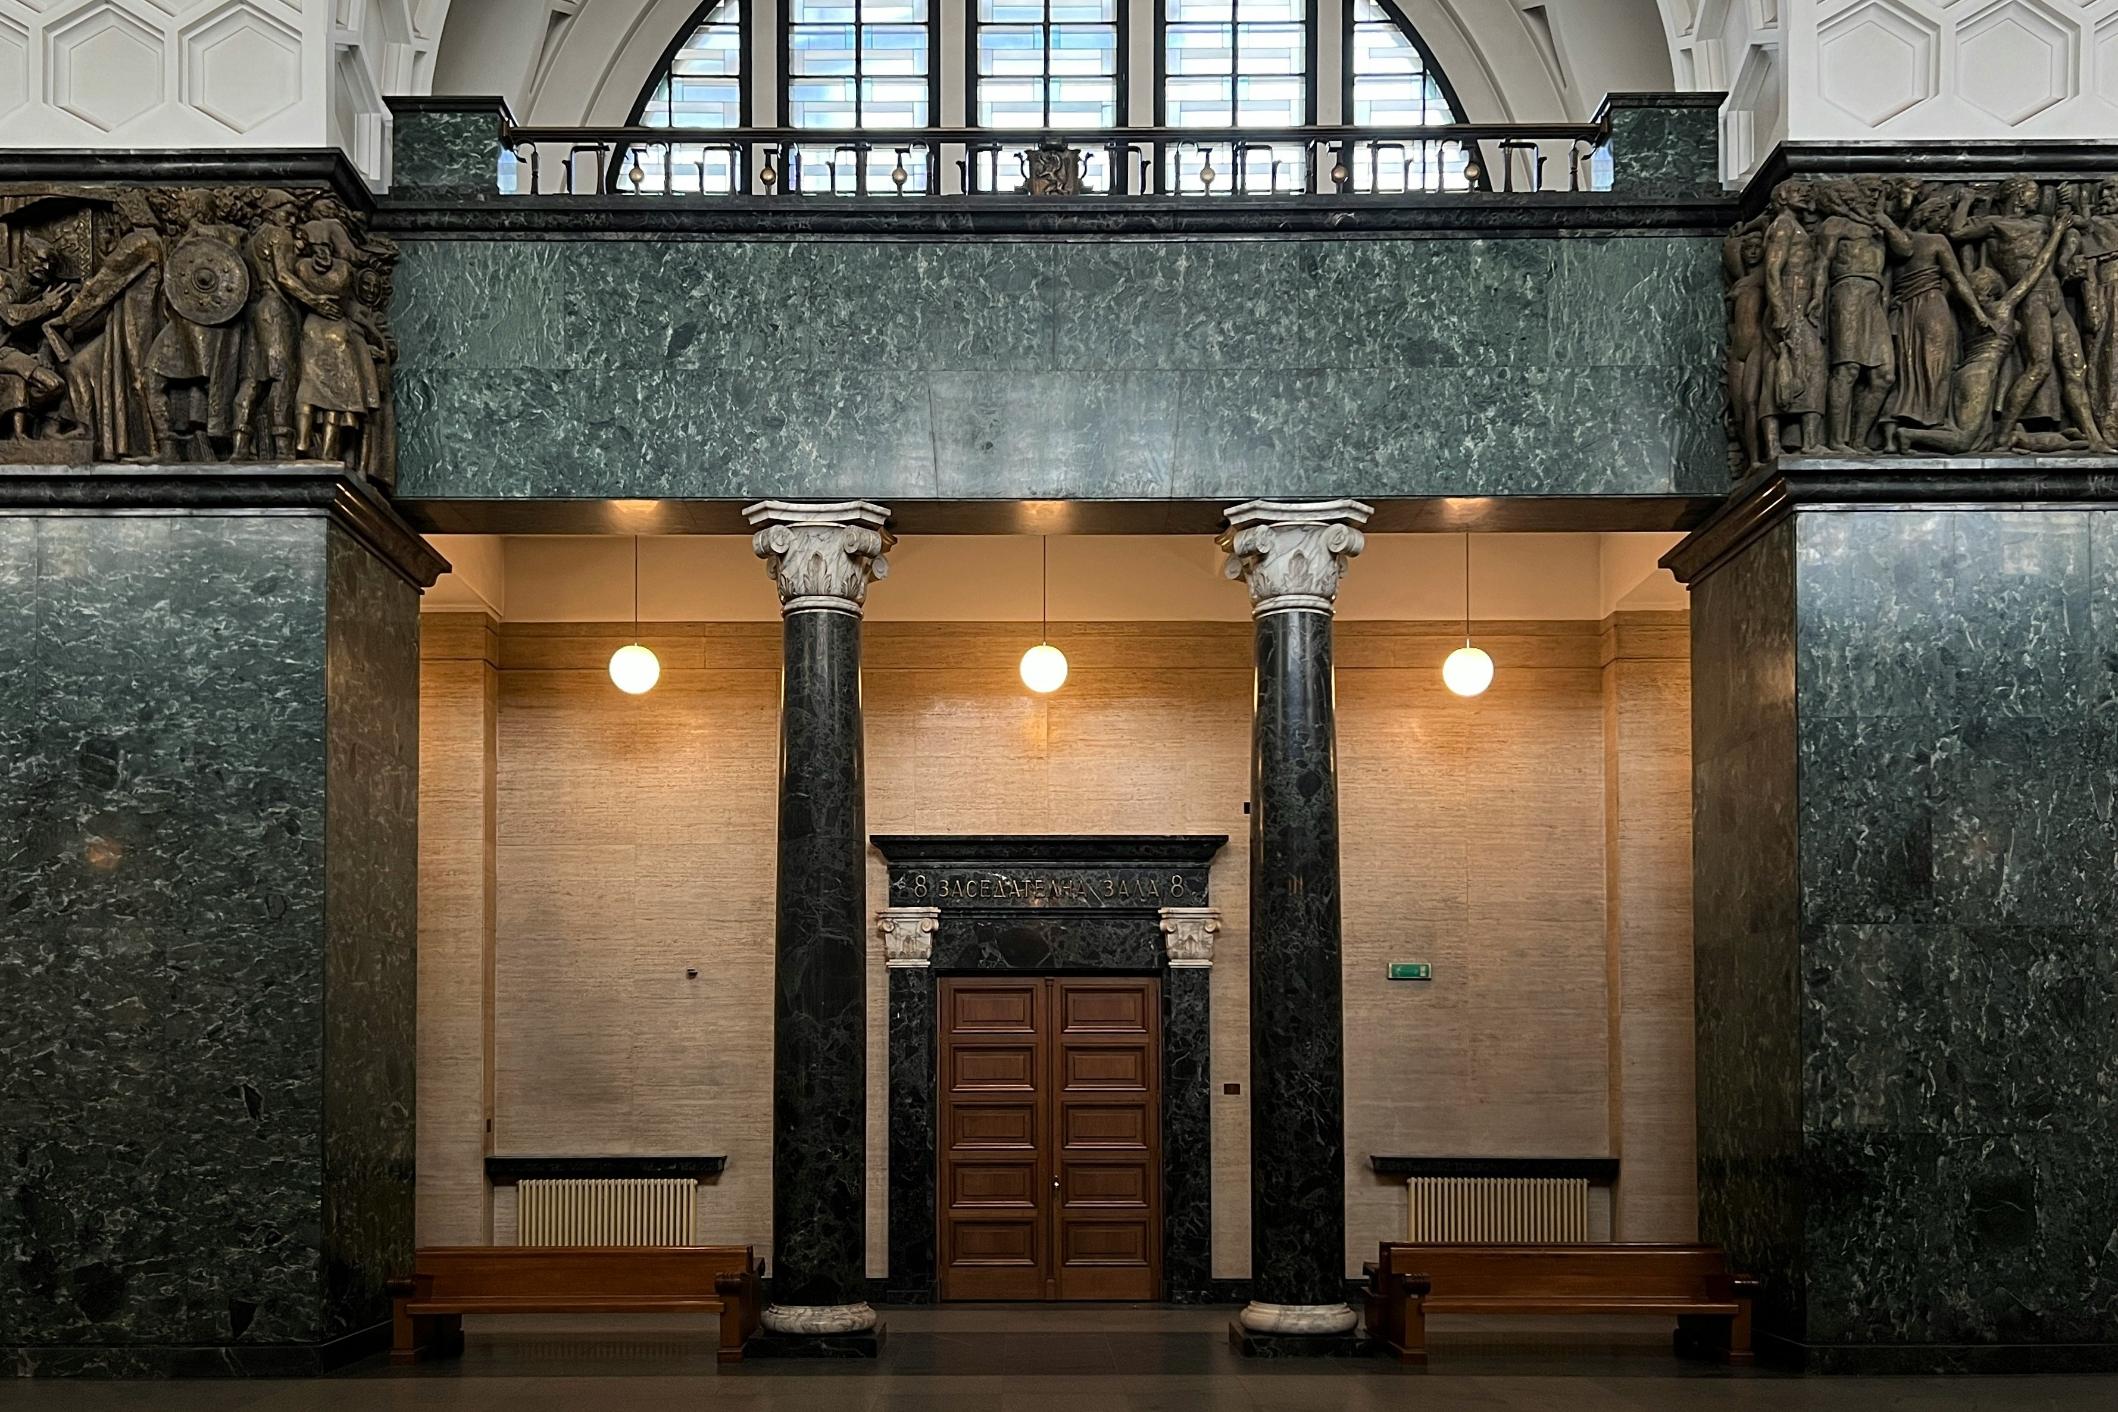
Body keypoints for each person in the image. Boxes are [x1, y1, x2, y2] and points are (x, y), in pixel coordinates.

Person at [1949, 176, 2111, 451]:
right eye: (2032, 193)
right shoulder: (1996, 225)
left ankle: (2095, 439)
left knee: (2074, 369)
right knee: (2039, 366)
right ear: (2018, 196)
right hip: (2031, 300)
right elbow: (1956, 232)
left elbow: (2077, 225)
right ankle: (2003, 432)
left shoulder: (2040, 223)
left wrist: (2066, 203)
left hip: (2055, 296)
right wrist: (1965, 201)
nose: (2035, 198)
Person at [1900, 214, 2072, 455]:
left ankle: (2071, 442)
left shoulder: (1966, 310)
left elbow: (1964, 272)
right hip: (1980, 377)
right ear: (1993, 290)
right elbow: (2036, 270)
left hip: (1965, 374)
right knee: (1963, 442)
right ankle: (1908, 435)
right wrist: (2056, 234)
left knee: (1986, 441)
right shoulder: (2002, 308)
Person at [1873, 185, 1987, 447]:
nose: (1944, 223)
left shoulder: (1897, 242)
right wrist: (1978, 312)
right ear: (1927, 216)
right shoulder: (1937, 241)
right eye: (1941, 218)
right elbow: (1957, 279)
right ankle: (1931, 425)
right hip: (1931, 309)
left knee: (1905, 373)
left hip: (1903, 314)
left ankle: (1892, 437)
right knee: (1937, 367)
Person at [1814, 182, 1896, 451]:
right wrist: (1816, 296)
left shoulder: (1878, 227)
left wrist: (1885, 222)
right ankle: (1837, 440)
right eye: (1871, 190)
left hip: (1875, 299)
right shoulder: (1836, 224)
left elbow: (1905, 249)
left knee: (1885, 375)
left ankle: (1859, 439)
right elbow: (1823, 263)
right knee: (1847, 369)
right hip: (1848, 292)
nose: (1876, 195)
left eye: (1879, 192)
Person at [1763, 181, 1827, 455]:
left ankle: (1809, 441)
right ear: (1782, 197)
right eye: (1796, 190)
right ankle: (1778, 444)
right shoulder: (1783, 226)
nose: (1803, 193)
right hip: (1790, 298)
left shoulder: (1794, 226)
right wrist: (1780, 309)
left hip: (1800, 300)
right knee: (1788, 367)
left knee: (1811, 367)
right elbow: (1772, 270)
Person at [0, 236, 75, 439]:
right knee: (53, 385)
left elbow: (47, 328)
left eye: (50, 263)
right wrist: (45, 305)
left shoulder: (47, 289)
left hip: (22, 354)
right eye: (41, 260)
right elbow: (11, 316)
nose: (46, 266)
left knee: (64, 381)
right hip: (3, 352)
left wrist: (43, 353)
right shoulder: (5, 281)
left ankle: (47, 429)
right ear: (24, 256)